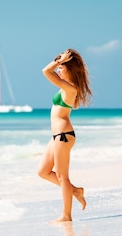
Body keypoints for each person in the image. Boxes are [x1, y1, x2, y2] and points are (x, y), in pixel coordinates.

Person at [37, 49, 92, 222]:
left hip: (63, 135)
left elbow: (46, 71)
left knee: (62, 177)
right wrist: (61, 60)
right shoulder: (65, 86)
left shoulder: (70, 88)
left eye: (62, 67)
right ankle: (75, 190)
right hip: (57, 136)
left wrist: (58, 60)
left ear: (70, 68)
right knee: (43, 172)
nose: (59, 69)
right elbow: (49, 72)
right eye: (59, 67)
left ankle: (66, 215)